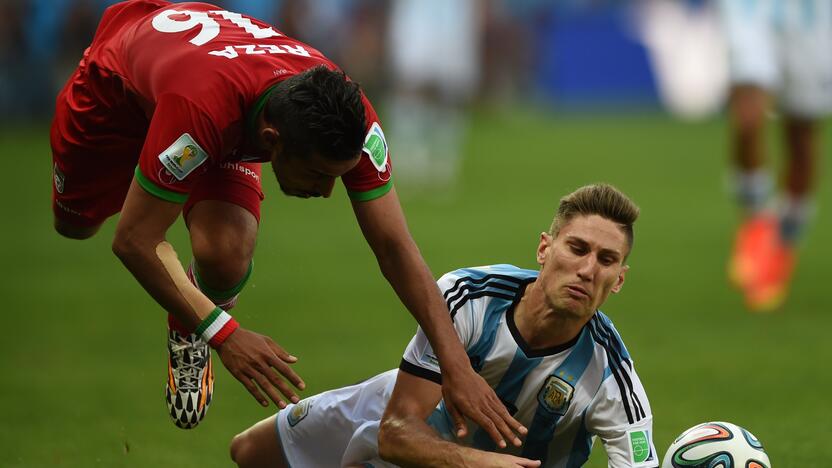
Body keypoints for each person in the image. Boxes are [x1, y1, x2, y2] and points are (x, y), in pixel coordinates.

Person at [50, 0, 522, 440]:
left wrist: (455, 366)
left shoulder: (351, 118)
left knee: (226, 254)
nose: (326, 191)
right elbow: (134, 239)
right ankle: (201, 313)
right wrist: (229, 337)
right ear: (271, 141)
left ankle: (187, 324)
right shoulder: (204, 109)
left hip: (209, 96)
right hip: (115, 96)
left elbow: (395, 246)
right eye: (318, 174)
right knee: (74, 225)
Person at [230, 183, 659, 468]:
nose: (587, 269)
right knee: (249, 451)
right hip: (405, 408)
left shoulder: (612, 380)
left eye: (605, 260)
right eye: (577, 248)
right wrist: (485, 463)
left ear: (619, 279)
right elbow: (396, 433)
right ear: (544, 249)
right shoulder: (468, 296)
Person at [718, 0, 832, 311]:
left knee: (801, 133)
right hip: (751, 8)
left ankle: (784, 244)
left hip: (811, 13)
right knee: (749, 114)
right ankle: (757, 227)